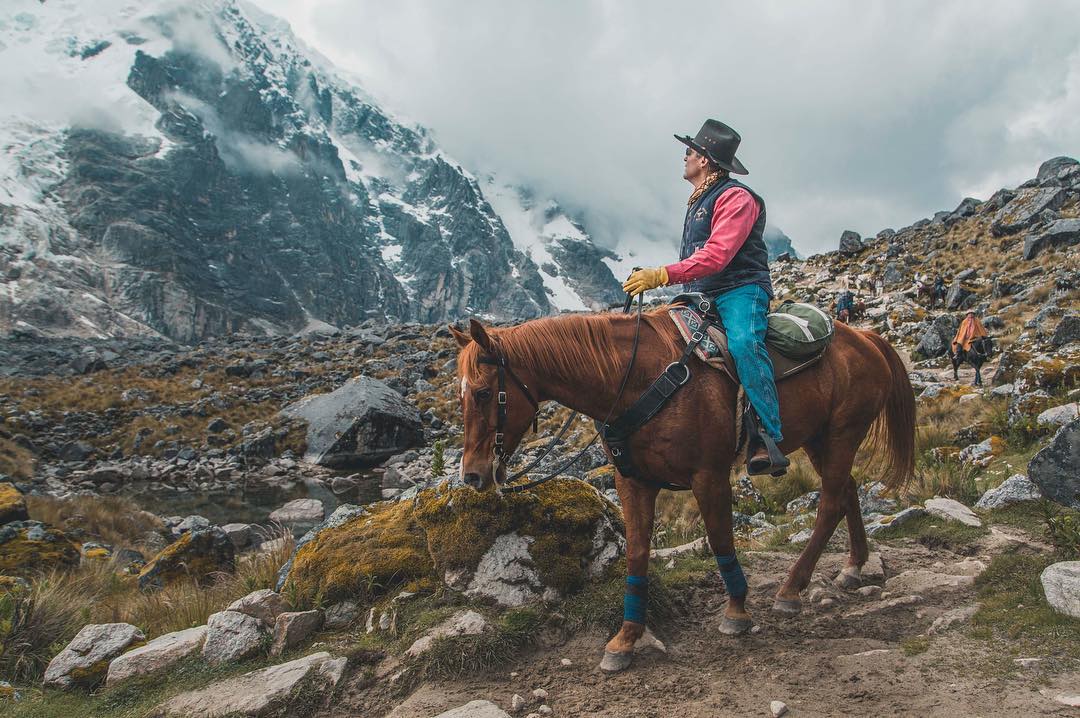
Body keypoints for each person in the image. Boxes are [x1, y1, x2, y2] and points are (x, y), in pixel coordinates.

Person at [622, 119, 788, 476]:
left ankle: (768, 437)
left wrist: (662, 274)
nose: (685, 156)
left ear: (706, 160)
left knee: (744, 343)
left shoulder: (736, 198)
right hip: (699, 293)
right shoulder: (700, 200)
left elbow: (717, 256)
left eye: (690, 151)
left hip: (740, 289)